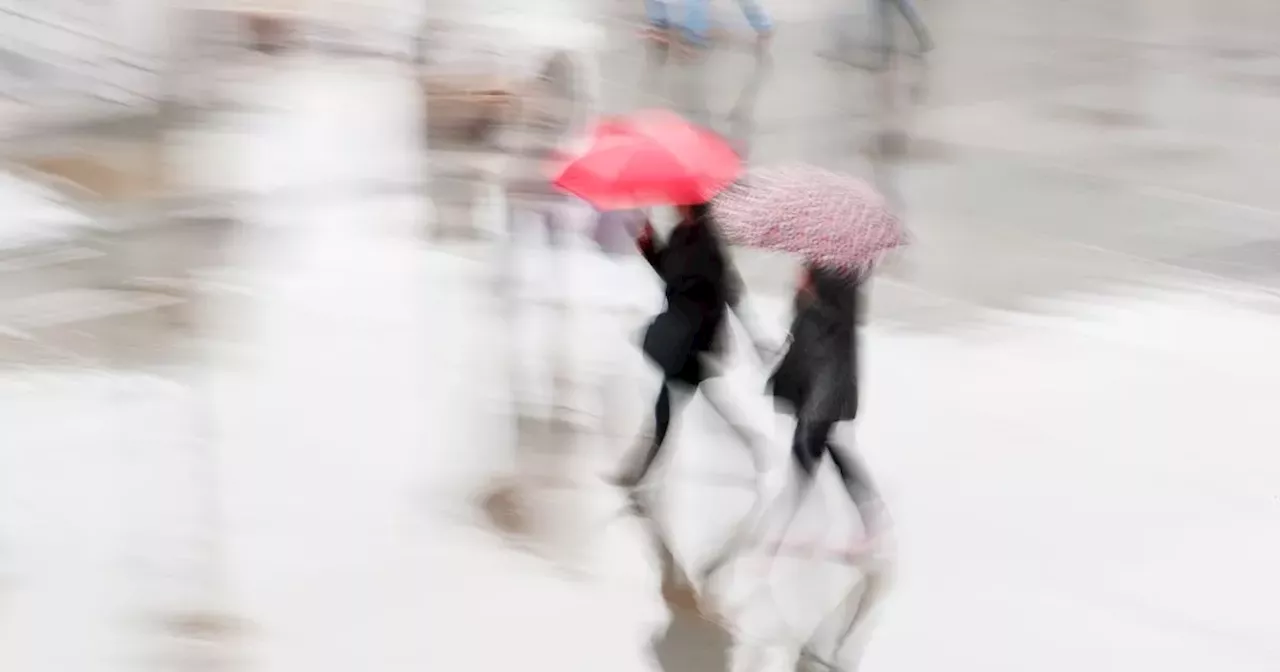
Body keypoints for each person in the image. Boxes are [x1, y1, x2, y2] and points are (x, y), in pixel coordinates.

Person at [612, 202, 773, 491]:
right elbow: (669, 273)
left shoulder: (707, 242)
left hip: (696, 339)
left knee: (665, 406)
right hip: (682, 336)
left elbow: (729, 291)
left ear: (691, 206)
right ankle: (754, 444)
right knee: (702, 403)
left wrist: (753, 336)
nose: (673, 203)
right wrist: (648, 243)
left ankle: (638, 472)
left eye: (680, 200)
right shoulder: (681, 233)